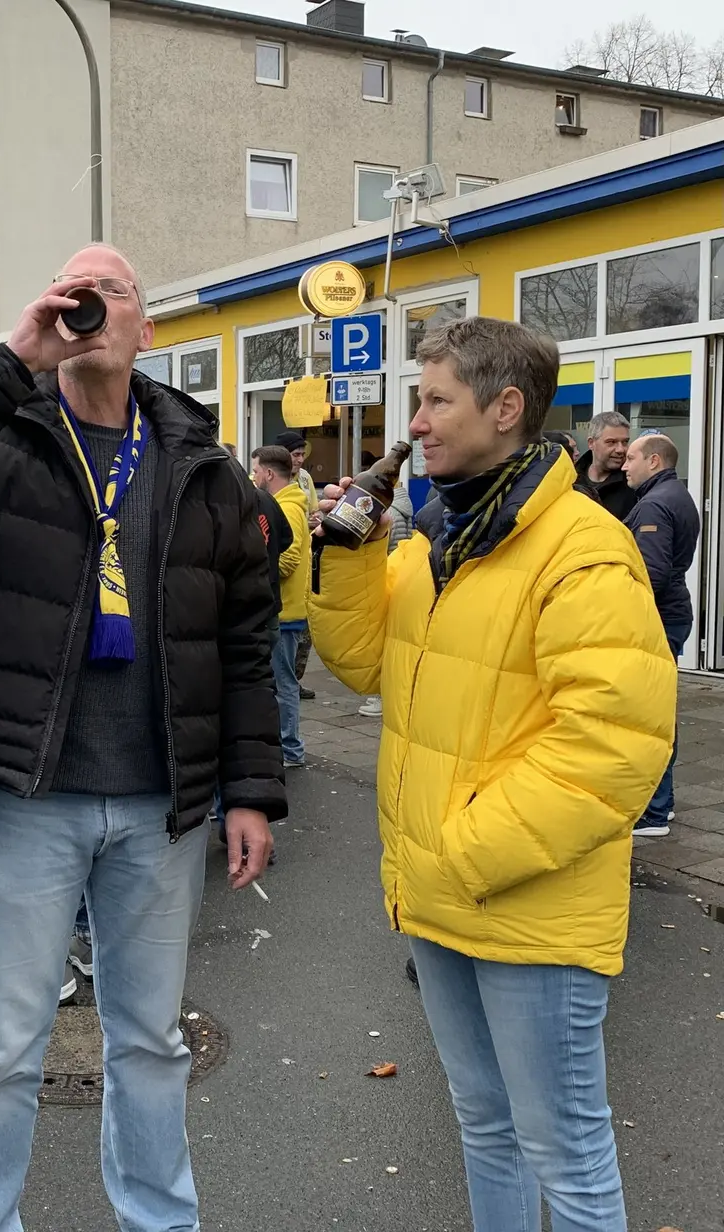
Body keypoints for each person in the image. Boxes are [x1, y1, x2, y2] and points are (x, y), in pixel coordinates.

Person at [0, 242, 285, 1232]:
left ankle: (160, 1218)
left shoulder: (203, 462)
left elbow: (243, 638)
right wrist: (13, 354)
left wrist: (254, 789)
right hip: (24, 793)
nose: (91, 308)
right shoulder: (1, 431)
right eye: (74, 290)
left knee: (149, 1039)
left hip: (160, 802)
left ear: (149, 328)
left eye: (113, 294)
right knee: (4, 1040)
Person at [309, 316, 674, 1231]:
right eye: (417, 402)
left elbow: (612, 748)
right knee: (485, 1126)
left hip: (526, 907)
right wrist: (351, 555)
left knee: (568, 1153)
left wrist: (460, 853)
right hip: (442, 899)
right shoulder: (441, 540)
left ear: (506, 408)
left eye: (437, 401)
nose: (417, 424)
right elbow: (361, 663)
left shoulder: (582, 549)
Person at [623, 432, 700, 839]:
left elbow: (649, 573)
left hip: (658, 619)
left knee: (651, 715)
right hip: (671, 614)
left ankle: (654, 811)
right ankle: (659, 806)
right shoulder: (677, 495)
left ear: (654, 461)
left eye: (632, 457)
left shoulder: (655, 503)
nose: (624, 464)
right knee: (658, 711)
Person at [251, 445, 309, 768]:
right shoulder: (287, 505)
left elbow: (288, 557)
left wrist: (261, 567)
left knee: (284, 683)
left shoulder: (286, 508)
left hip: (285, 610)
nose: (254, 475)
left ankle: (291, 749)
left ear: (269, 474)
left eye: (257, 470)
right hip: (285, 608)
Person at [356, 476, 414, 719]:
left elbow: (387, 543)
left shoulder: (389, 513)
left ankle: (380, 696)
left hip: (389, 573)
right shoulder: (405, 506)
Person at [273, 430, 319, 698]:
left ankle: (293, 680)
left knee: (302, 637)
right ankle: (288, 683)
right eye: (296, 454)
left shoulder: (304, 479)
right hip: (289, 563)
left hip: (303, 556)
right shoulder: (266, 479)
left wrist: (314, 519)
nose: (301, 459)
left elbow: (313, 510)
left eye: (303, 454)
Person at [576, 411, 637, 521]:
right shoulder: (571, 480)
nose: (620, 449)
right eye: (611, 442)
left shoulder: (634, 483)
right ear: (591, 443)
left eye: (625, 442)